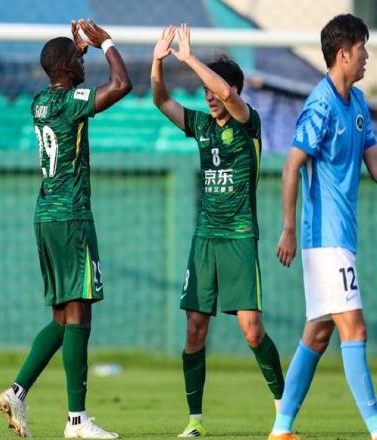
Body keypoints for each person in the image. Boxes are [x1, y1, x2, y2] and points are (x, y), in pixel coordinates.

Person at [0, 19, 131, 439]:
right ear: (67, 68)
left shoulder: (39, 102)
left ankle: (17, 392)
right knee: (80, 312)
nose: (83, 62)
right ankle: (77, 421)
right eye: (78, 60)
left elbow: (62, 75)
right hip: (72, 217)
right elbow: (121, 84)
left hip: (45, 217)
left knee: (61, 319)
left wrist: (73, 54)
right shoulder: (72, 103)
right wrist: (106, 42)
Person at [151, 24, 285, 437]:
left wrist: (189, 57)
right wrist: (157, 61)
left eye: (213, 89)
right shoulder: (201, 125)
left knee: (252, 331)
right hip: (205, 239)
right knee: (194, 330)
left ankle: (284, 410)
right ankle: (195, 421)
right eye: (205, 91)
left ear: (234, 90)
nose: (209, 96)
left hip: (240, 237)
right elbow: (161, 100)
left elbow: (227, 94)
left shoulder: (248, 122)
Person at [268, 14, 377, 440]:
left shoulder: (358, 104)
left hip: (342, 238)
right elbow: (291, 166)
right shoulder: (321, 104)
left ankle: (281, 428)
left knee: (317, 334)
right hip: (324, 239)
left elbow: (374, 165)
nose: (367, 56)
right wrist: (288, 229)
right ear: (343, 53)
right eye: (362, 48)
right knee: (355, 328)